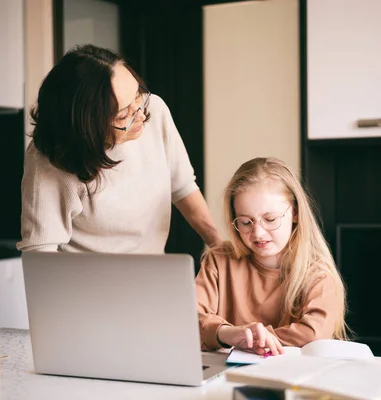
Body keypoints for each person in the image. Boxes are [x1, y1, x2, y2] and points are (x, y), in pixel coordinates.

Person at [17, 44, 221, 253]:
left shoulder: (155, 111)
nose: (140, 114)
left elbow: (182, 186)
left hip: (151, 274)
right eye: (124, 115)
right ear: (88, 126)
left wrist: (219, 245)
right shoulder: (52, 158)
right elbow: (40, 252)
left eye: (137, 96)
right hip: (87, 282)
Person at [196, 157, 348, 355]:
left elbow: (314, 334)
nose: (258, 233)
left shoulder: (318, 274)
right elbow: (189, 320)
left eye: (270, 219)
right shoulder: (218, 261)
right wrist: (229, 333)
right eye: (245, 222)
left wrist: (251, 339)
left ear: (295, 213)